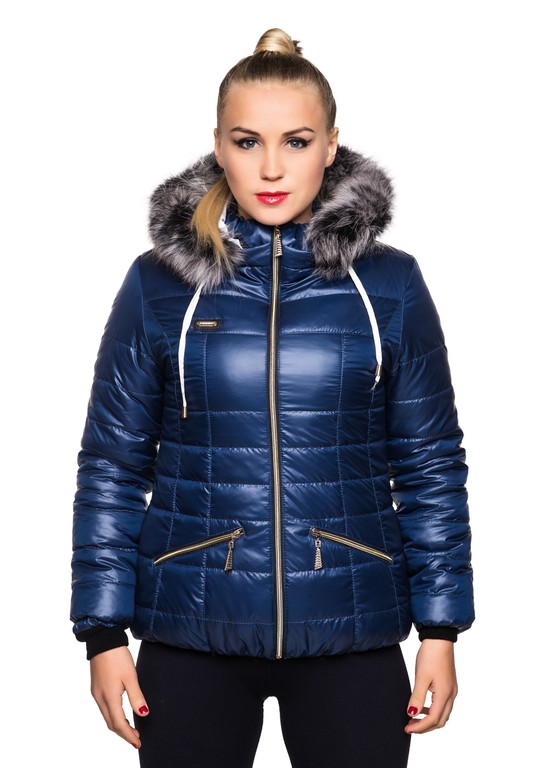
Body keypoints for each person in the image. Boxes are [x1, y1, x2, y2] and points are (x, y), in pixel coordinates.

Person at [70, 27, 474, 768]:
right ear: (218, 147)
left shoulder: (390, 284)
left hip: (352, 628)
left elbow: (430, 464)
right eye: (247, 141)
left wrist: (442, 631)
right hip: (190, 631)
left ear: (331, 145)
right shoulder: (160, 284)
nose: (271, 168)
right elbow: (112, 465)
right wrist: (101, 633)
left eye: (296, 141)